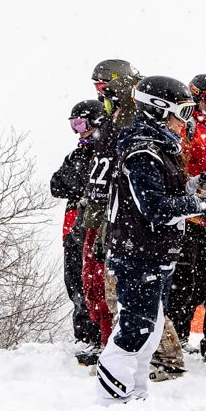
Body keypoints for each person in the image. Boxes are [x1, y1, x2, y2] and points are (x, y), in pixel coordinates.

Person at [96, 76, 194, 406]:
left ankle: (134, 394)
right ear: (159, 110)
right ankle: (112, 398)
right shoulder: (143, 152)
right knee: (135, 329)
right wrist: (196, 203)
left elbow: (166, 193)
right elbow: (155, 208)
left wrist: (195, 189)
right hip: (139, 254)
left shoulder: (159, 149)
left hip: (156, 253)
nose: (185, 121)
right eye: (183, 112)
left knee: (149, 331)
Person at [168, 73, 206, 364]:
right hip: (191, 217)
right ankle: (176, 336)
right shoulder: (186, 127)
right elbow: (177, 165)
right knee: (185, 282)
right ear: (196, 97)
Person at [79, 58, 137, 347]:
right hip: (97, 210)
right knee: (91, 281)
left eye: (104, 88)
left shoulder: (130, 117)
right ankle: (105, 342)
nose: (100, 95)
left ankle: (113, 345)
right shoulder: (108, 121)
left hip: (114, 215)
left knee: (109, 285)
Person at [49, 100, 103, 363]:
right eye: (74, 125)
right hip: (71, 229)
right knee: (75, 283)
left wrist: (78, 184)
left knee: (92, 283)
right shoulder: (75, 155)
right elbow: (56, 185)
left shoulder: (101, 153)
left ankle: (97, 336)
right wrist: (76, 184)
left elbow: (89, 185)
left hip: (92, 227)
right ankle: (83, 335)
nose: (77, 131)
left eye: (81, 124)